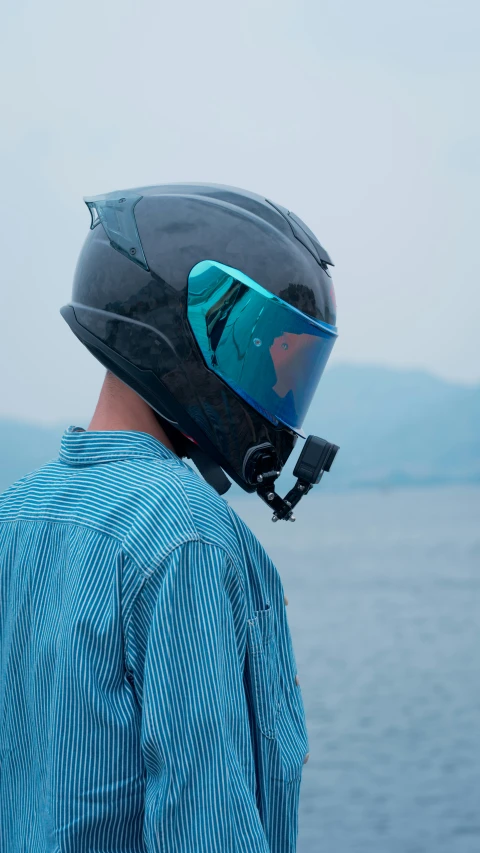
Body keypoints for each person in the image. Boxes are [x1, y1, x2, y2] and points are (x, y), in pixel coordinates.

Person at [0, 183, 338, 852]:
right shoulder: (186, 536)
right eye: (270, 351)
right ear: (194, 334)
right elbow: (203, 821)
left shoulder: (15, 514)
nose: (279, 394)